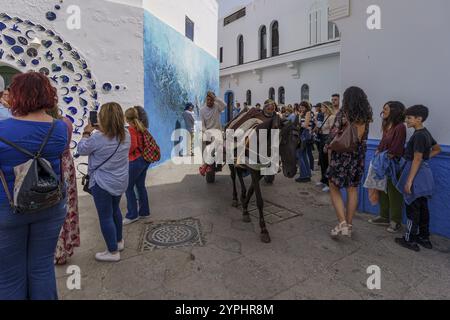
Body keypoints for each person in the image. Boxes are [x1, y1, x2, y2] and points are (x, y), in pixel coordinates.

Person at [0, 72, 68, 300]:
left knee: (10, 276)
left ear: (17, 96)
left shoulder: (2, 130)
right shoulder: (60, 128)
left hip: (8, 210)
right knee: (41, 267)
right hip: (50, 205)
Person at [78, 102, 131, 262]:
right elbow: (111, 136)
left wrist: (86, 133)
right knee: (115, 210)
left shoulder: (96, 138)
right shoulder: (126, 135)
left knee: (105, 216)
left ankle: (112, 252)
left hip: (102, 184)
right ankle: (118, 241)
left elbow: (81, 149)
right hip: (120, 181)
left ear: (103, 118)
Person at [327, 87, 373, 238]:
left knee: (334, 186)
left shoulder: (343, 114)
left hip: (341, 156)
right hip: (357, 157)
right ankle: (349, 225)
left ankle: (342, 223)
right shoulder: (366, 117)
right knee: (352, 190)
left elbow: (333, 134)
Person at [395, 105, 441, 251]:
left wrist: (409, 181)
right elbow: (437, 149)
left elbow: (417, 158)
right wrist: (424, 159)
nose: (406, 120)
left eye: (409, 118)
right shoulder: (425, 133)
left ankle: (410, 239)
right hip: (424, 175)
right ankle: (424, 237)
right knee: (422, 206)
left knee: (412, 208)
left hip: (415, 175)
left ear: (419, 119)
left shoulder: (419, 135)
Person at [47, 107, 81, 265]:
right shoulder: (66, 122)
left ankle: (58, 250)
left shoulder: (47, 125)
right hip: (67, 165)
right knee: (69, 206)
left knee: (53, 208)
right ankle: (68, 245)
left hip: (52, 166)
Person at [368, 101, 407, 233]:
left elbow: (396, 148)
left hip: (393, 164)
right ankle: (384, 216)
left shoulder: (400, 127)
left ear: (394, 111)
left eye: (386, 109)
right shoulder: (387, 125)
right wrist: (378, 152)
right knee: (381, 189)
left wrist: (384, 156)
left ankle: (395, 221)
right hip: (382, 162)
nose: (383, 111)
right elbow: (382, 142)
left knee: (393, 192)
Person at [122, 107, 152, 226]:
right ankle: (144, 211)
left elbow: (133, 145)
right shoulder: (141, 126)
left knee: (128, 188)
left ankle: (132, 215)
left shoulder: (131, 129)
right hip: (144, 160)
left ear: (126, 118)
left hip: (135, 161)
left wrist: (124, 153)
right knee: (140, 186)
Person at [199, 91, 226, 175]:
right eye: (208, 100)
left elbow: (224, 105)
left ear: (213, 100)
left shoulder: (217, 107)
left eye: (211, 100)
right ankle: (207, 163)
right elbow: (202, 125)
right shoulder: (202, 110)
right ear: (206, 100)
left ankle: (206, 165)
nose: (209, 102)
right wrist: (206, 132)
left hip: (217, 130)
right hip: (208, 131)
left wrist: (215, 98)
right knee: (201, 141)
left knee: (217, 141)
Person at [315, 102, 336, 192]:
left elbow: (332, 130)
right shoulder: (324, 116)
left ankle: (328, 183)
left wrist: (328, 143)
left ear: (327, 108)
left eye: (323, 107)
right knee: (322, 160)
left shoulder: (331, 117)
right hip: (322, 138)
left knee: (326, 161)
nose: (321, 108)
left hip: (327, 139)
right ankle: (323, 180)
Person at [296, 101, 315, 183]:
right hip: (304, 134)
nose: (301, 108)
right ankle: (307, 174)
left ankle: (304, 175)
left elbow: (306, 125)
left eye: (302, 107)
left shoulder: (308, 113)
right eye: (300, 107)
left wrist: (299, 124)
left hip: (305, 134)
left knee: (299, 154)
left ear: (306, 107)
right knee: (303, 154)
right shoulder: (303, 113)